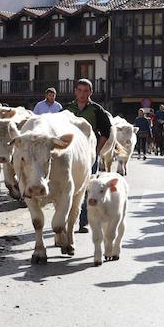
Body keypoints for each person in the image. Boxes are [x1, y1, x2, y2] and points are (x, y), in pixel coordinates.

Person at [68, 79, 111, 233]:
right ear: (75, 91)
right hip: (69, 157)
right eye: (79, 90)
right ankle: (68, 220)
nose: (82, 94)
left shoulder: (97, 110)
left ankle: (83, 221)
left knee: (87, 188)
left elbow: (106, 131)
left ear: (90, 92)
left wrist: (96, 151)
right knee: (68, 187)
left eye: (86, 91)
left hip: (89, 156)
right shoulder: (67, 110)